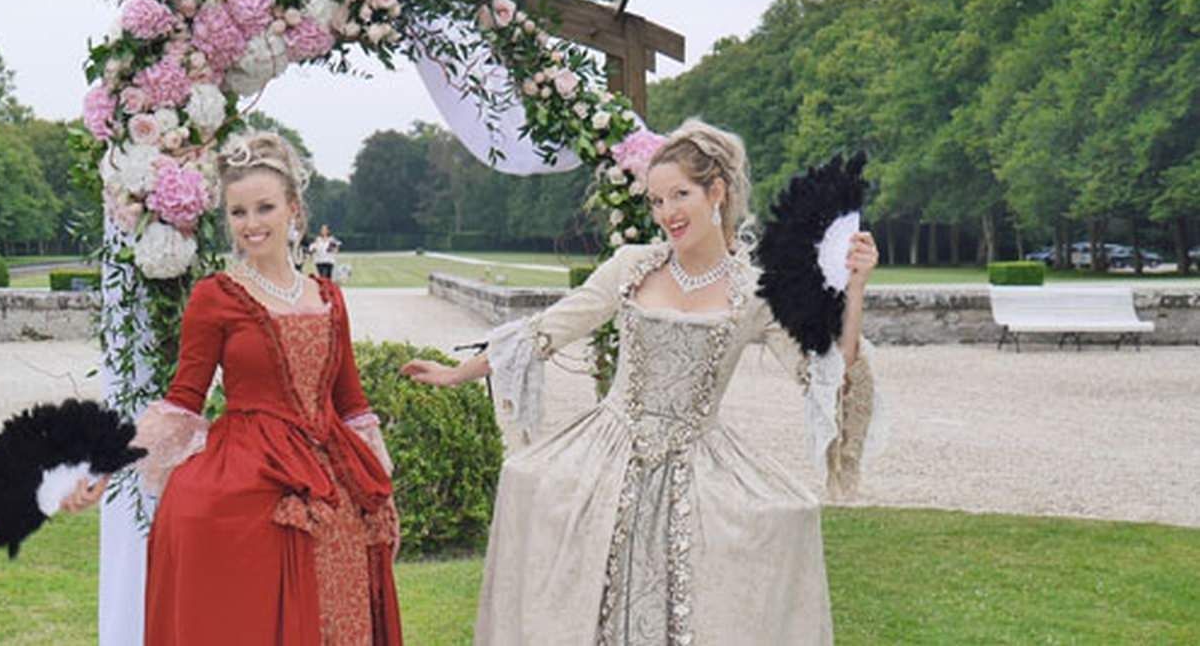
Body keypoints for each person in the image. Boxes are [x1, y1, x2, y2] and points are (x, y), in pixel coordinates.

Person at [401, 119, 881, 644]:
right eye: (656, 201)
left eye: (680, 195)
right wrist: (458, 373)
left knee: (773, 530)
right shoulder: (632, 266)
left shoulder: (757, 292)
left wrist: (854, 291)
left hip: (699, 459)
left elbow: (827, 375)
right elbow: (548, 330)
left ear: (716, 192)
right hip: (609, 451)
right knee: (527, 485)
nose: (667, 214)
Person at [66, 131, 402, 645]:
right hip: (251, 462)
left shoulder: (329, 297)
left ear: (294, 209)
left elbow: (351, 402)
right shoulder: (215, 297)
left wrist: (377, 485)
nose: (251, 224)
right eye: (238, 212)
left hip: (330, 467)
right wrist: (107, 464)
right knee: (222, 542)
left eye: (264, 208)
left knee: (342, 567)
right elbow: (182, 400)